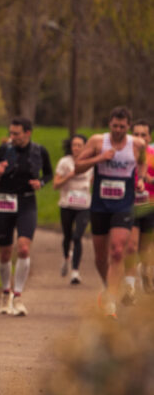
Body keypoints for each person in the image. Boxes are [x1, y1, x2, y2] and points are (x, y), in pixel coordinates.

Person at [73, 106, 147, 316]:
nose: (117, 130)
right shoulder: (98, 141)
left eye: (122, 127)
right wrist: (100, 158)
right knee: (100, 256)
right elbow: (77, 167)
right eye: (114, 126)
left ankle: (111, 301)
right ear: (109, 125)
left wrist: (140, 180)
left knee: (117, 251)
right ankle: (108, 287)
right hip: (99, 204)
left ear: (128, 127)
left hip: (124, 204)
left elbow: (142, 163)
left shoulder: (137, 144)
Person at [0, 117, 53, 316]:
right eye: (10, 133)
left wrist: (41, 183)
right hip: (3, 202)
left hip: (26, 203)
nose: (12, 137)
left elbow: (48, 174)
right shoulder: (4, 150)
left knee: (23, 248)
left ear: (28, 133)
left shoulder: (39, 151)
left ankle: (18, 296)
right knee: (5, 252)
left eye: (16, 134)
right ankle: (6, 293)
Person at [52, 134, 92, 285]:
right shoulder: (64, 162)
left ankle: (75, 271)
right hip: (67, 205)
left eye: (79, 145)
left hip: (84, 206)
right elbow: (55, 185)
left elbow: (92, 181)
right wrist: (70, 175)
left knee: (77, 237)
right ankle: (66, 258)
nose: (76, 148)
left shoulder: (90, 163)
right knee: (67, 236)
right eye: (74, 145)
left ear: (85, 147)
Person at [128, 119, 154, 294]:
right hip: (129, 207)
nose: (139, 137)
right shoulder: (125, 153)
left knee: (145, 249)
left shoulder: (153, 154)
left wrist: (150, 180)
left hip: (150, 207)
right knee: (131, 246)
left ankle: (145, 273)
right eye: (135, 134)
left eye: (143, 134)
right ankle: (129, 287)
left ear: (149, 136)